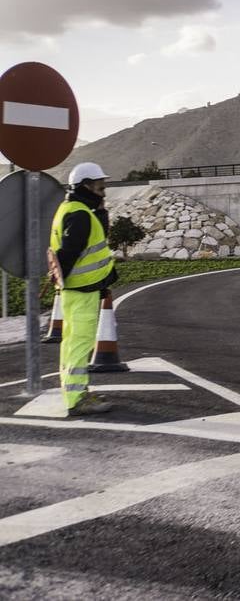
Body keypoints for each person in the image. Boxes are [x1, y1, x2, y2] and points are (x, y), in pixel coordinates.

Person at [49, 162, 118, 416]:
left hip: (77, 290)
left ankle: (74, 391)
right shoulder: (79, 214)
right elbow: (68, 254)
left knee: (72, 343)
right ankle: (77, 399)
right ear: (86, 186)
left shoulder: (73, 209)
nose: (104, 191)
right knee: (80, 343)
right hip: (81, 291)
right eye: (100, 186)